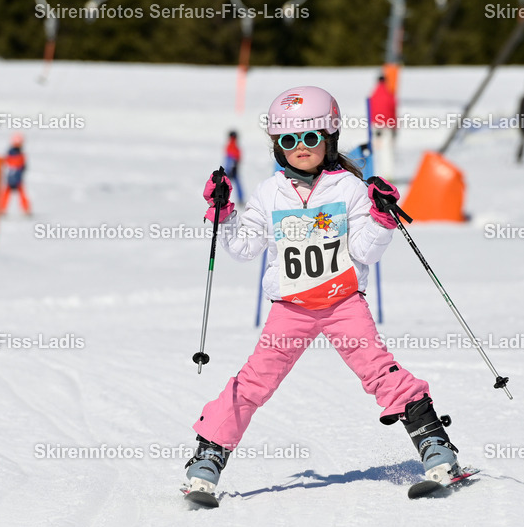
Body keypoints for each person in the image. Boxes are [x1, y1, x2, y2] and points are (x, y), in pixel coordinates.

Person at [184, 85, 465, 498]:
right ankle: (208, 456)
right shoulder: (269, 193)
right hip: (291, 308)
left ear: (329, 138)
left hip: (343, 303)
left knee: (378, 370)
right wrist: (224, 214)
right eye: (289, 140)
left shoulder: (348, 189)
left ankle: (436, 447)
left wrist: (383, 220)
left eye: (311, 137)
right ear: (278, 145)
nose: (301, 147)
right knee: (254, 381)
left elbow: (366, 251)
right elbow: (244, 249)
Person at [368, 75, 397, 180]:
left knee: (376, 150)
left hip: (375, 126)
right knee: (387, 151)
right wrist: (395, 127)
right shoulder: (389, 95)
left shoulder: (374, 95)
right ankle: (388, 175)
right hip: (387, 126)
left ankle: (376, 174)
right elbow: (393, 111)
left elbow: (370, 109)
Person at [0, 133, 31, 215]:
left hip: (11, 178)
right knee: (19, 194)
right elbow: (23, 166)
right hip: (16, 179)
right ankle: (26, 209)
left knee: (6, 194)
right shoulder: (20, 155)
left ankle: (2, 209)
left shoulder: (9, 154)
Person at [224, 130, 244, 205]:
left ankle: (222, 199)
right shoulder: (233, 145)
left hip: (231, 167)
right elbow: (232, 158)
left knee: (226, 185)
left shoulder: (230, 145)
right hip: (233, 167)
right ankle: (240, 199)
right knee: (236, 184)